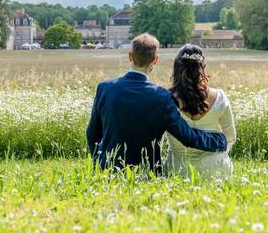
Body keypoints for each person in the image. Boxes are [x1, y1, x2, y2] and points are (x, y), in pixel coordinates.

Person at [86, 34, 227, 171]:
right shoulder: (161, 97)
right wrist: (220, 139)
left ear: (130, 56)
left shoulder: (105, 88)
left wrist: (98, 161)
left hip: (107, 169)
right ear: (155, 60)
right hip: (146, 172)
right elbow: (187, 136)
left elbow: (92, 133)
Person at [163, 45, 236, 181]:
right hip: (215, 168)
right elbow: (230, 138)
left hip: (178, 169)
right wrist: (217, 158)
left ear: (176, 68)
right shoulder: (219, 97)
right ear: (202, 67)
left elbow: (156, 140)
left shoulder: (166, 99)